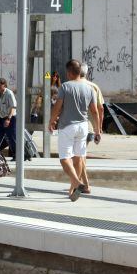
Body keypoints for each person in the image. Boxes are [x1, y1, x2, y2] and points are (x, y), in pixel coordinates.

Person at [49, 60, 101, 202]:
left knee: (65, 159)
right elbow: (95, 112)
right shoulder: (90, 89)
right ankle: (73, 189)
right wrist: (97, 130)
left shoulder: (65, 87)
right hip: (83, 126)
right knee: (78, 158)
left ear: (70, 72)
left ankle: (77, 183)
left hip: (67, 126)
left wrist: (51, 121)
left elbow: (57, 107)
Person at [79, 64, 104, 194]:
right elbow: (100, 109)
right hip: (89, 127)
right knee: (80, 155)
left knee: (79, 156)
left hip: (79, 126)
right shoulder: (94, 87)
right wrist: (98, 129)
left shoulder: (71, 85)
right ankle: (78, 181)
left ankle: (84, 184)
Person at [0, 78, 17, 159]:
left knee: (12, 137)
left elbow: (13, 107)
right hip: (1, 118)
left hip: (10, 118)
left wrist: (8, 119)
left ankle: (16, 155)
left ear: (4, 85)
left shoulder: (9, 93)